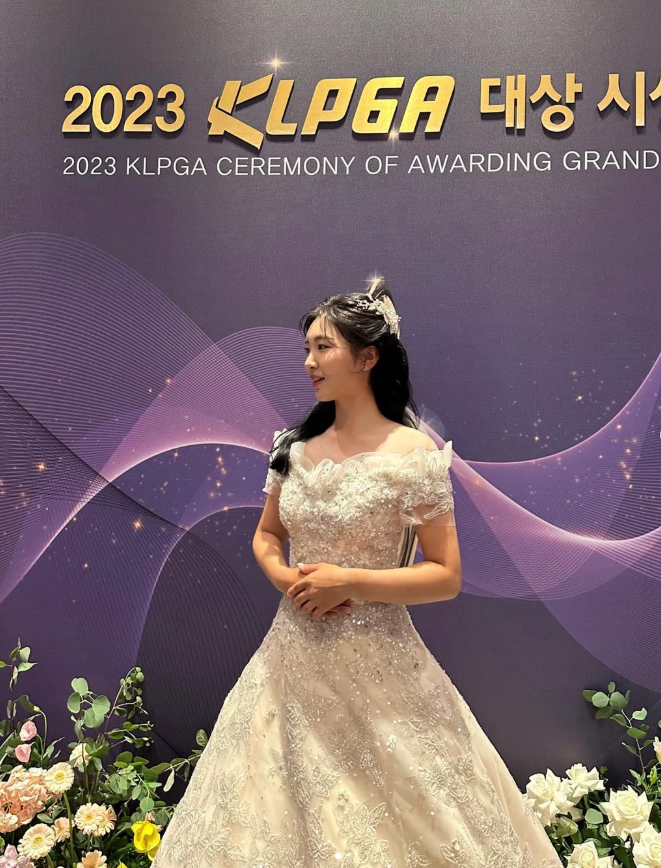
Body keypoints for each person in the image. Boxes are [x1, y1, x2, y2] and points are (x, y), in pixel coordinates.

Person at [152, 278, 563, 868]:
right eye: (308, 348)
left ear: (367, 358)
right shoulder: (292, 448)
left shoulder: (413, 454)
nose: (309, 362)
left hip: (381, 664)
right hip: (288, 661)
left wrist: (347, 581)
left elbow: (445, 574)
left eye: (324, 348)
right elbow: (267, 535)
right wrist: (285, 579)